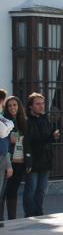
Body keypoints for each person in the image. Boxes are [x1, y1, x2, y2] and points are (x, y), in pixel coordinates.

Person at [23, 93, 58, 217]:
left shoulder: (45, 118)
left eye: (42, 103)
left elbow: (46, 137)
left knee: (42, 189)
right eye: (37, 104)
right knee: (31, 189)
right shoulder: (27, 120)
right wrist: (28, 160)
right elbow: (29, 140)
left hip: (45, 159)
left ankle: (39, 212)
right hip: (33, 159)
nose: (41, 106)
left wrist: (53, 136)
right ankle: (29, 214)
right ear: (31, 106)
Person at [1, 97, 30, 221]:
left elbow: (28, 142)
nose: (13, 108)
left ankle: (12, 219)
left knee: (13, 190)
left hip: (19, 160)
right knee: (3, 191)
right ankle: (1, 218)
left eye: (15, 105)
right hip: (7, 159)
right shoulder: (4, 120)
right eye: (10, 106)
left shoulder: (23, 121)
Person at [0, 89, 12, 227]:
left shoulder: (2, 116)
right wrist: (8, 125)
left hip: (2, 155)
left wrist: (8, 163)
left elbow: (10, 125)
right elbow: (3, 131)